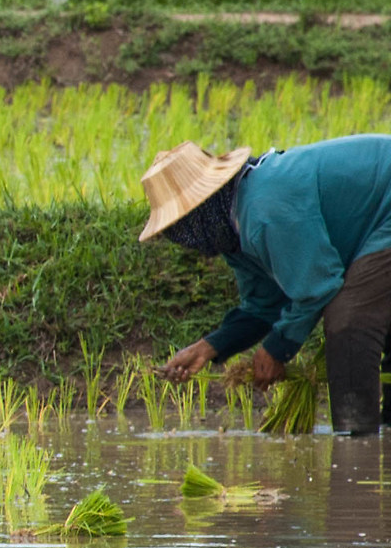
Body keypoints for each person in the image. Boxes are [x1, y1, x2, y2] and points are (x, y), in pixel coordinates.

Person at [147, 136, 391, 435]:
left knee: (349, 318)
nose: (186, 241)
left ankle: (357, 443)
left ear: (201, 210)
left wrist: (277, 349)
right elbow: (263, 306)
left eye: (181, 228)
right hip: (377, 218)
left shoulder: (263, 212)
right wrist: (208, 348)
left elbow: (318, 287)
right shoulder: (236, 233)